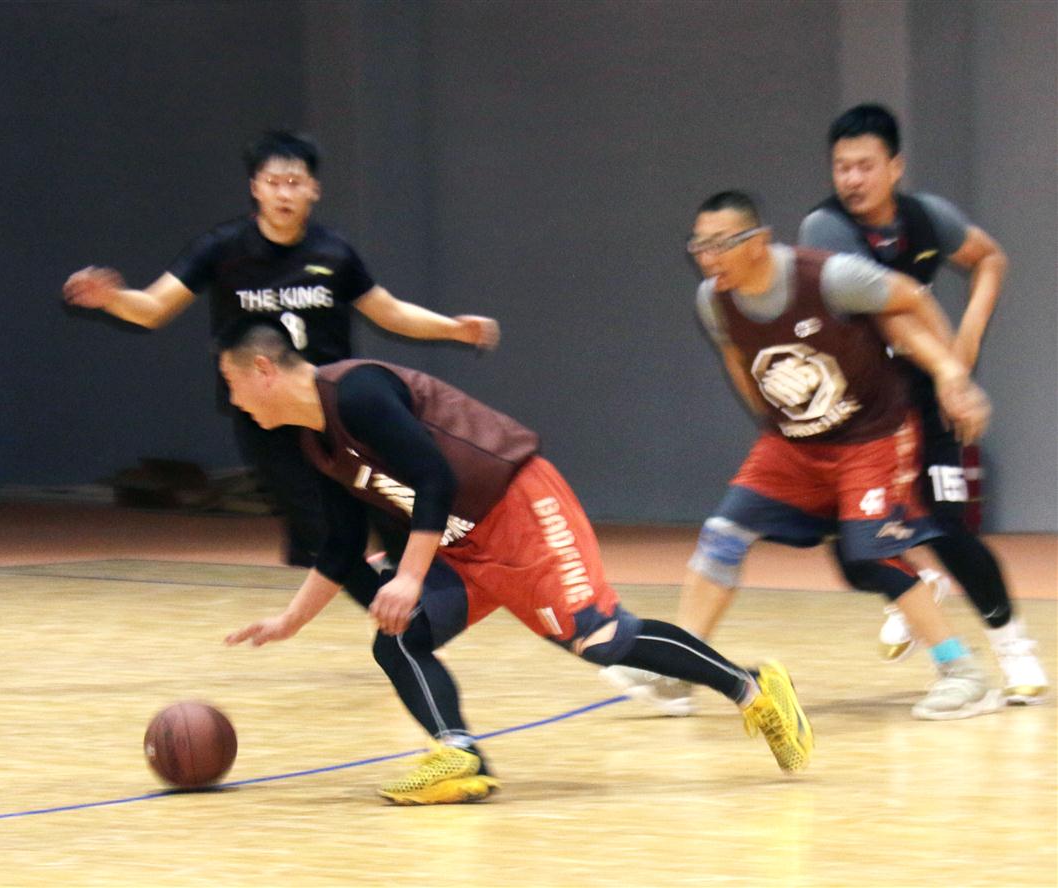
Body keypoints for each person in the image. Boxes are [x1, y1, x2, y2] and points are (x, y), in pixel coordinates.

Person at [218, 317, 813, 806]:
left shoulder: (358, 392)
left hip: (519, 505)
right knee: (398, 639)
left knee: (599, 637)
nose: (233, 401)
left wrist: (410, 575)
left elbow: (434, 476)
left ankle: (753, 687)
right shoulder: (316, 443)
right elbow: (342, 545)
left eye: (232, 383)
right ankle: (459, 755)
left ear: (263, 370)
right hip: (462, 544)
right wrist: (290, 621)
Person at [604, 190, 998, 721]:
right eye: (699, 246)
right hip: (795, 443)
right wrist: (777, 424)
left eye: (720, 244)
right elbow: (737, 358)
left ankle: (963, 673)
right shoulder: (713, 300)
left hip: (872, 435)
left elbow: (910, 298)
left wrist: (951, 374)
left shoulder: (829, 278)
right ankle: (681, 672)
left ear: (758, 241)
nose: (707, 257)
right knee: (722, 535)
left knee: (872, 553)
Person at [63, 131, 499, 568]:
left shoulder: (333, 252)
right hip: (264, 411)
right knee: (316, 522)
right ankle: (347, 581)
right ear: (255, 188)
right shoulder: (222, 248)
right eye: (272, 183)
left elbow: (389, 312)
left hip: (332, 408)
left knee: (380, 504)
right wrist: (112, 299)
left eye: (294, 183)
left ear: (314, 189)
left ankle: (420, 581)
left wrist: (454, 329)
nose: (283, 194)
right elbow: (153, 308)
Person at [798, 103, 1046, 704]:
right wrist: (952, 372)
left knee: (948, 526)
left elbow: (989, 258)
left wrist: (965, 345)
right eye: (841, 167)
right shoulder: (826, 230)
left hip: (925, 395)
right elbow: (890, 315)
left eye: (864, 166)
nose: (852, 179)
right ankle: (914, 586)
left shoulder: (928, 218)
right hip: (860, 408)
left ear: (895, 167)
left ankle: (1014, 649)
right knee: (854, 552)